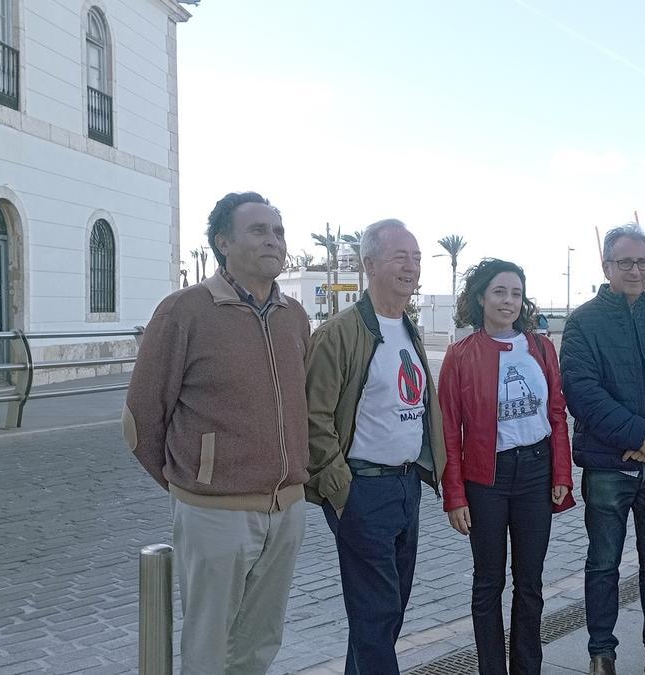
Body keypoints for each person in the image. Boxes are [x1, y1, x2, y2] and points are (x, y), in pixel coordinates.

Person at [124, 191, 310, 675]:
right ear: (222, 242)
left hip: (286, 510)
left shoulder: (296, 316)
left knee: (260, 643)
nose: (273, 240)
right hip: (215, 513)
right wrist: (194, 484)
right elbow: (141, 420)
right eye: (258, 230)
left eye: (278, 231)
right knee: (208, 647)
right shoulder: (185, 311)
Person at [304, 218, 447, 674]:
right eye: (400, 256)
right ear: (368, 264)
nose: (412, 266)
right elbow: (314, 419)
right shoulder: (339, 333)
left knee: (387, 613)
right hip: (363, 489)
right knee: (377, 612)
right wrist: (341, 491)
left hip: (407, 488)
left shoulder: (407, 328)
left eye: (417, 257)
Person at [561, 225, 645, 675]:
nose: (637, 270)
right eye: (626, 262)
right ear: (606, 267)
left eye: (644, 262)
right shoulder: (584, 321)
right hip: (608, 468)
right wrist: (637, 436)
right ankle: (602, 653)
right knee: (603, 564)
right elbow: (582, 391)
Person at [439, 258, 576, 675]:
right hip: (487, 480)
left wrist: (562, 475)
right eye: (500, 292)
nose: (509, 301)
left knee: (530, 584)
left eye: (516, 293)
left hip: (535, 472)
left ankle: (527, 668)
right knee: (488, 584)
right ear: (480, 297)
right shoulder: (460, 356)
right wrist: (455, 496)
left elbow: (556, 414)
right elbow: (447, 430)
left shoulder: (540, 348)